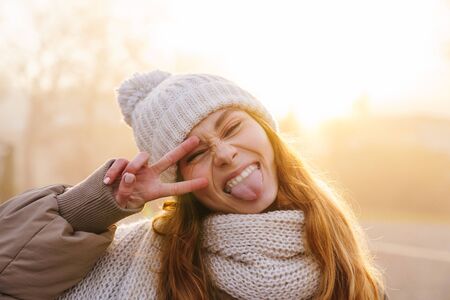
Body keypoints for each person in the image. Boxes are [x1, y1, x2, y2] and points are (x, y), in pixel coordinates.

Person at [0, 70, 386, 300]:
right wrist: (94, 207)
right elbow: (10, 277)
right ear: (180, 182)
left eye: (232, 128)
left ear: (267, 132)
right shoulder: (146, 258)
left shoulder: (339, 253)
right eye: (195, 153)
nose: (225, 154)